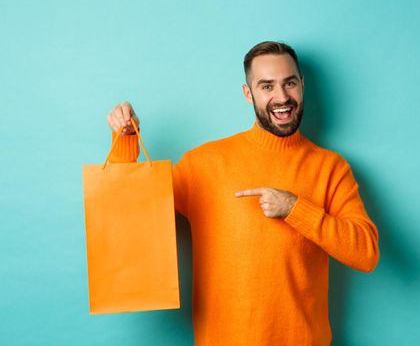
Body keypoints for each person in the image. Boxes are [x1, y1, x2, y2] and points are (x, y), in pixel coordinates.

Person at [105, 41, 380, 345]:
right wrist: (125, 141)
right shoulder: (204, 163)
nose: (282, 97)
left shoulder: (331, 168)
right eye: (267, 86)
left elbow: (366, 253)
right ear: (248, 93)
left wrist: (295, 208)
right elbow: (133, 206)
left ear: (302, 86)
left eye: (289, 83)